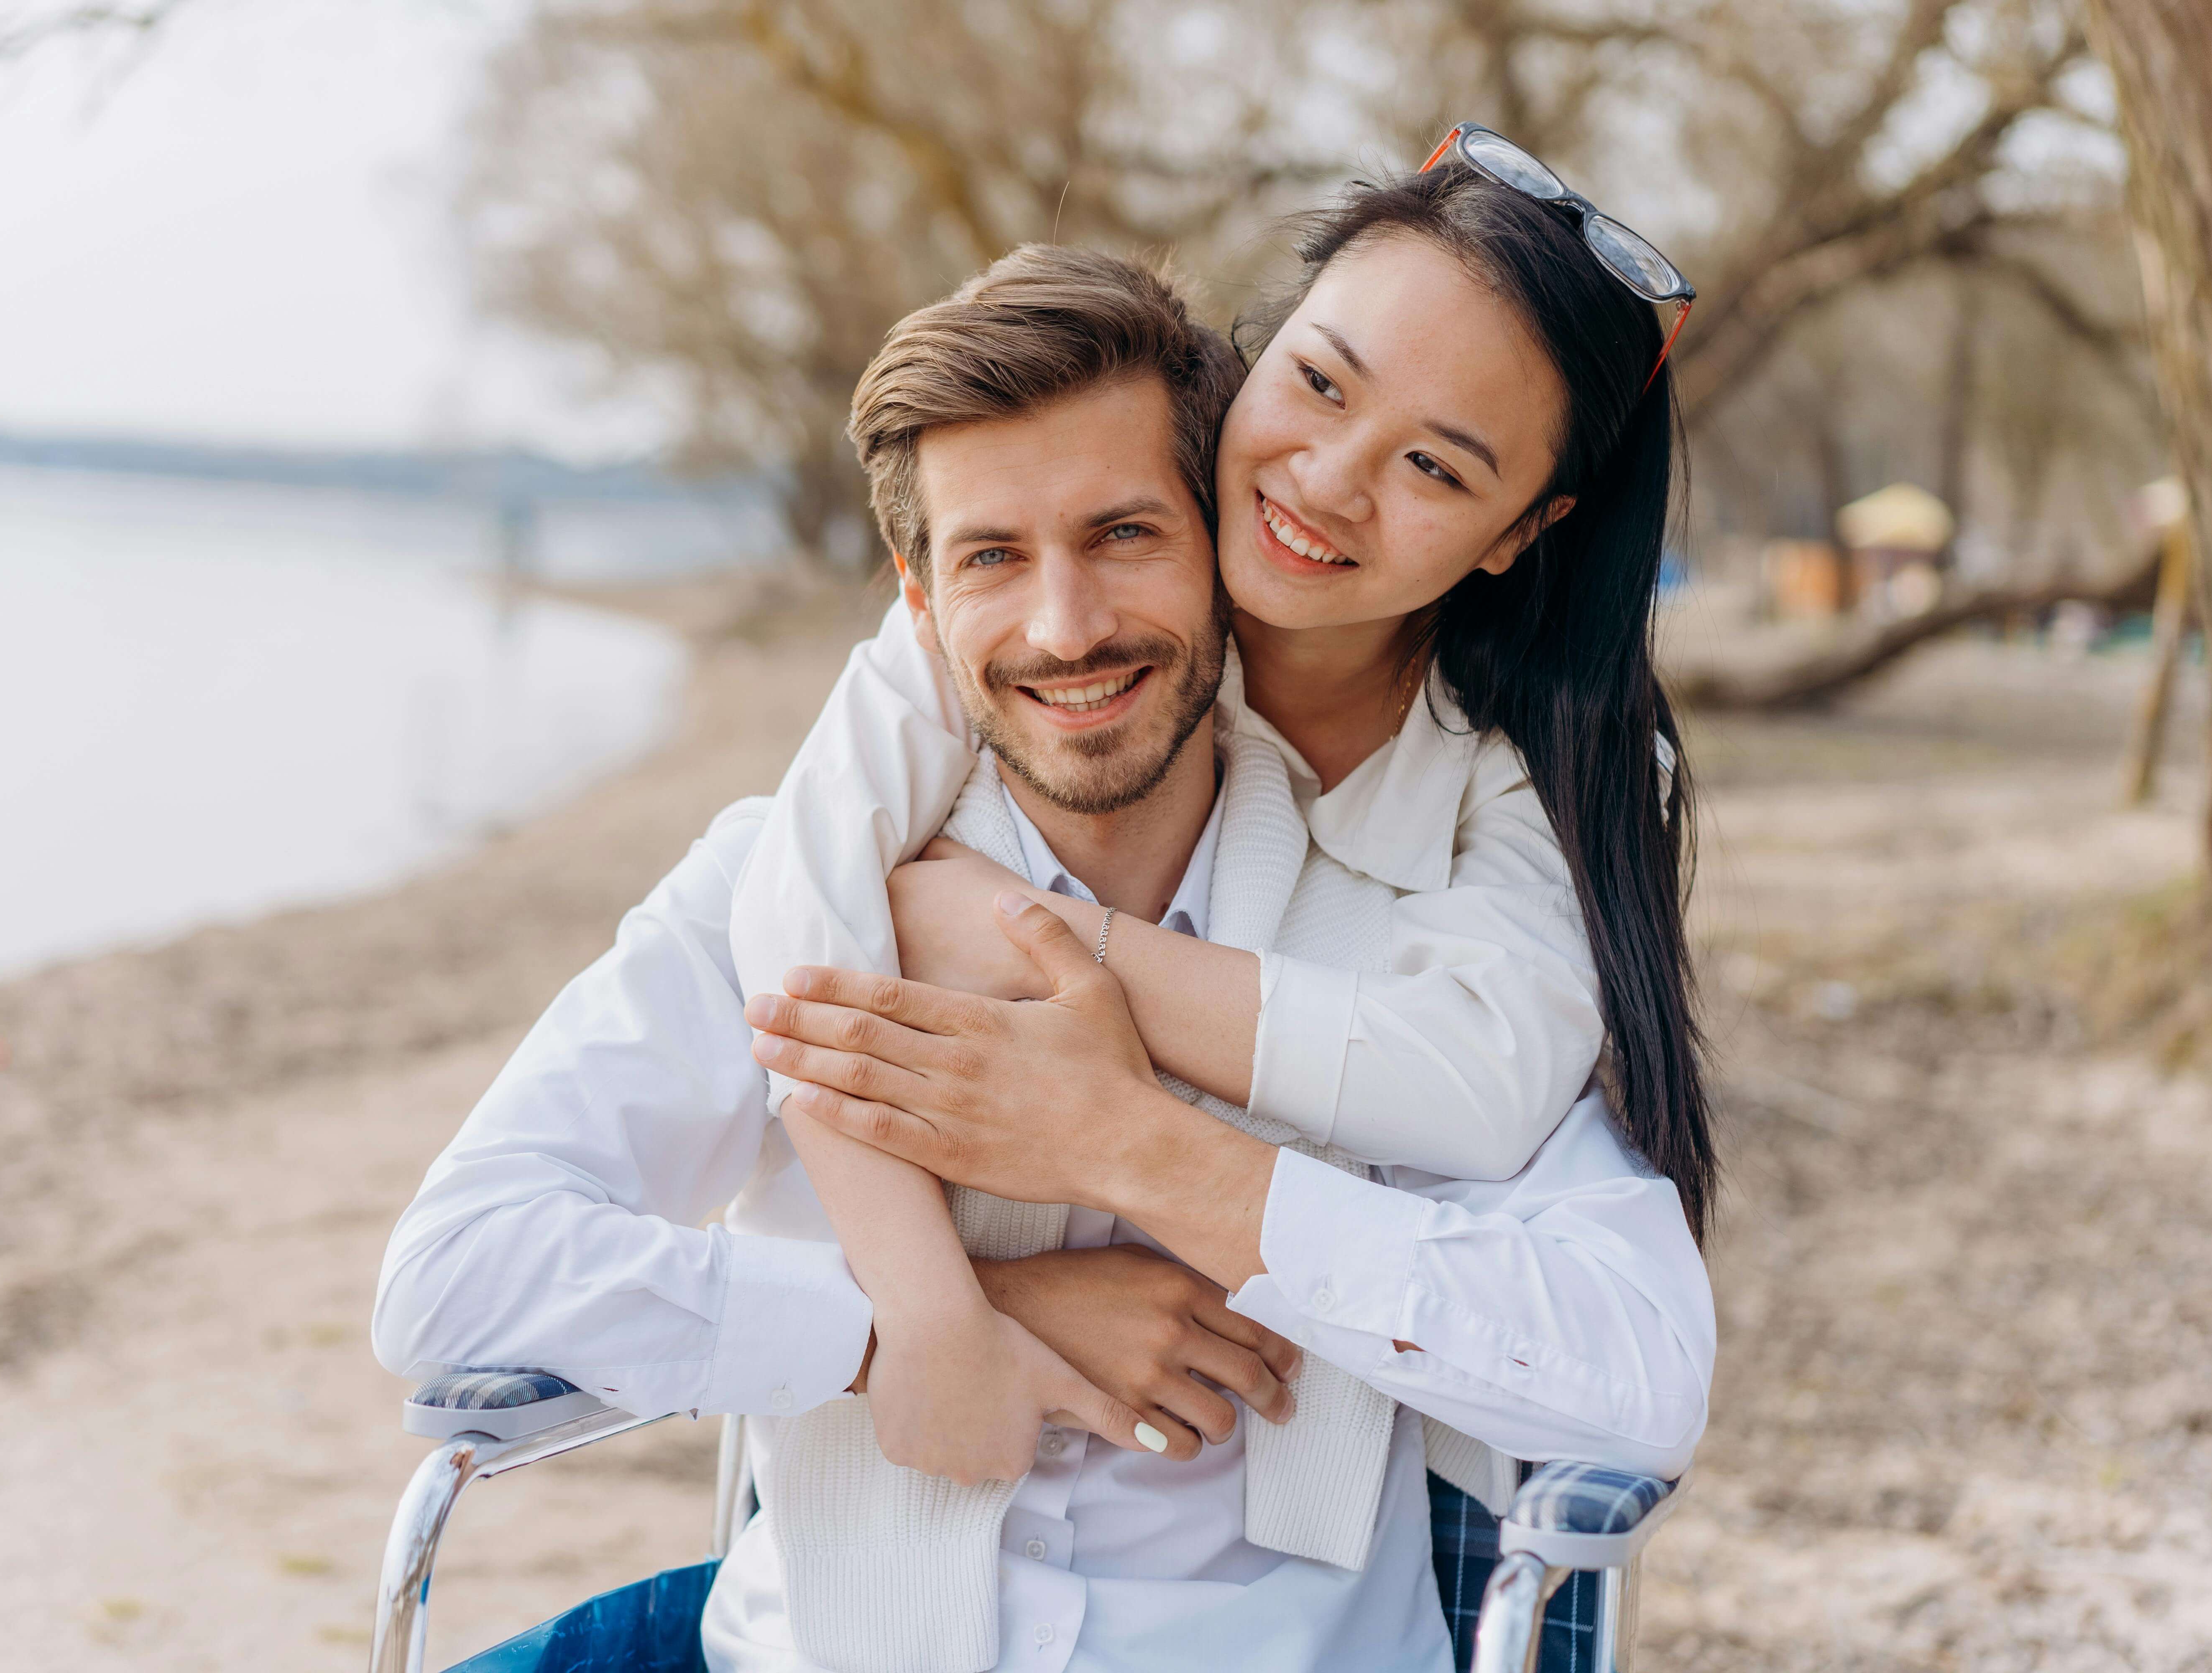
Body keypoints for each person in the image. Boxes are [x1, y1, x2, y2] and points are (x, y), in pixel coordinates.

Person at [374, 235, 1713, 1673]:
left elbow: (1633, 1373)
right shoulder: (789, 881)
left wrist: (1132, 1146)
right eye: (993, 559)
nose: (1067, 629)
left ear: (1219, 547)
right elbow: (453, 1276)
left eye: (1125, 535)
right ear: (919, 598)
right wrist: (913, 1328)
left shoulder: (1412, 933)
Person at [731, 133, 1715, 1500]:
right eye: (1318, 383)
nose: (1324, 480)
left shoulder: (1545, 768)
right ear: (1265, 344)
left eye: (1435, 468)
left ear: (1518, 529)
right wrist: (941, 1312)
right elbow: (798, 917)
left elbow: (1482, 1088)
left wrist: (1041, 945)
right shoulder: (1074, 606)